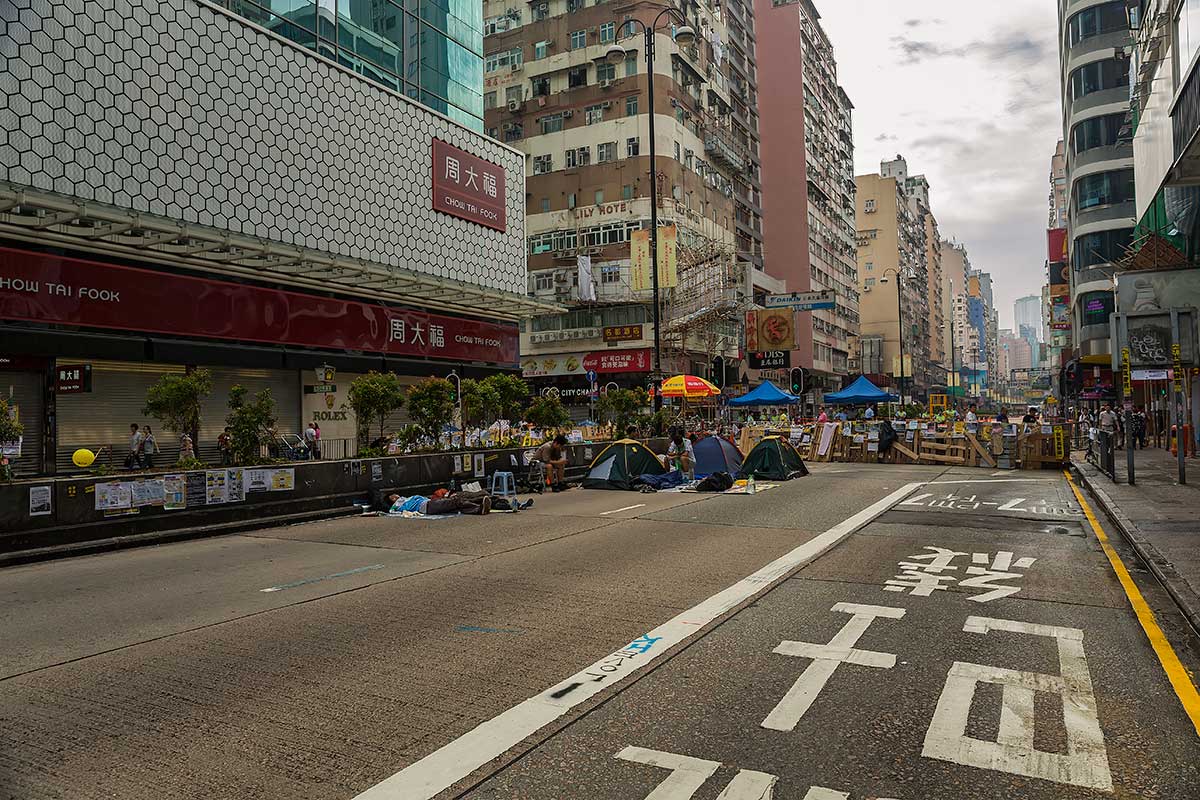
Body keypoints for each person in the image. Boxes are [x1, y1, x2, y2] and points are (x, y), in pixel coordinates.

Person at [387, 491, 491, 516]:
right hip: (427, 506)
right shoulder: (397, 505)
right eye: (392, 496)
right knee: (455, 501)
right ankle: (479, 505)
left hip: (428, 504)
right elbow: (390, 512)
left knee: (455, 508)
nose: (395, 495)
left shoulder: (403, 499)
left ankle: (479, 509)